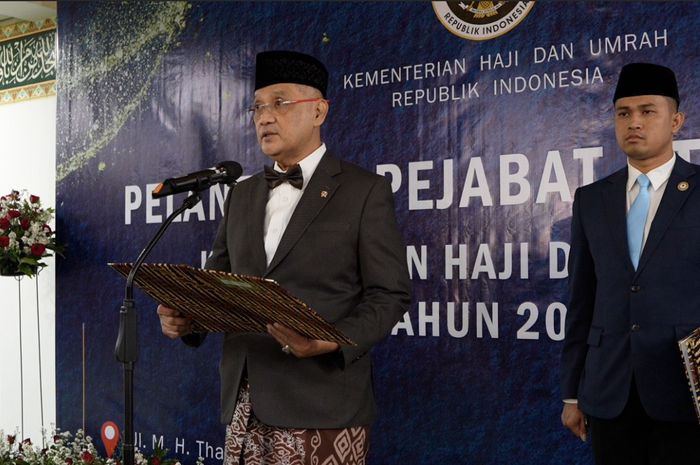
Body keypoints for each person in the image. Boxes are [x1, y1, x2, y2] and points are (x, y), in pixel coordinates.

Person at [157, 50, 411, 465]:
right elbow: (217, 287)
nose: (265, 117)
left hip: (323, 407)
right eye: (258, 107)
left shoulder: (364, 191)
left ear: (319, 111)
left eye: (280, 102)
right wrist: (188, 319)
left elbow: (390, 295)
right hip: (245, 404)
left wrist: (331, 340)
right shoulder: (241, 193)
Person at [560, 62, 700, 464]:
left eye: (647, 111)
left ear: (676, 121)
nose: (634, 122)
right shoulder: (591, 199)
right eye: (623, 113)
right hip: (609, 392)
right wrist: (572, 393)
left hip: (685, 394)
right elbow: (581, 299)